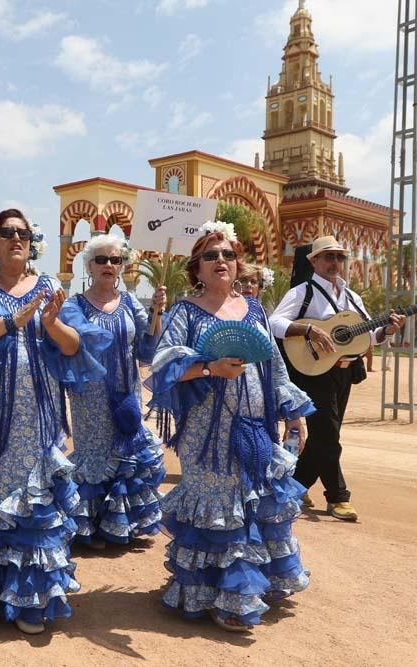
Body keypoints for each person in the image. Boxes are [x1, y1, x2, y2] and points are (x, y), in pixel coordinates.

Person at [0, 208, 110, 635]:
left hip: (40, 409)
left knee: (33, 497)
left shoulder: (49, 288)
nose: (17, 238)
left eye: (24, 233)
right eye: (7, 233)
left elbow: (74, 345)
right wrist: (12, 321)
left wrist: (49, 323)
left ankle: (32, 596)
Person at [148, 225, 313, 632]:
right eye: (210, 256)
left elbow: (274, 367)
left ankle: (257, 583)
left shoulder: (255, 309)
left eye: (227, 254)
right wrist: (209, 367)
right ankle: (222, 597)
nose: (220, 260)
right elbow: (165, 366)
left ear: (237, 263)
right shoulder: (185, 312)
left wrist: (294, 412)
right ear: (196, 270)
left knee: (255, 500)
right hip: (207, 434)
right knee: (220, 508)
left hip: (257, 425)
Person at [270, 236, 405, 521]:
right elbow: (274, 323)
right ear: (314, 261)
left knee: (323, 436)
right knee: (328, 435)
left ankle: (295, 485)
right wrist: (309, 330)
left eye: (338, 257)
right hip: (314, 371)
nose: (334, 262)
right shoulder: (302, 292)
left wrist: (387, 331)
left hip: (344, 372)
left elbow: (369, 335)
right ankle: (338, 497)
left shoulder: (352, 297)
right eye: (328, 256)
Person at [67, 234, 167, 549]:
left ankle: (124, 522)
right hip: (90, 396)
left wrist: (157, 314)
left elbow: (148, 349)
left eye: (115, 260)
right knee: (95, 454)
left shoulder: (129, 302)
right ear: (90, 266)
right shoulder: (75, 305)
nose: (109, 265)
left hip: (126, 391)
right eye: (101, 260)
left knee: (126, 450)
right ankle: (92, 525)